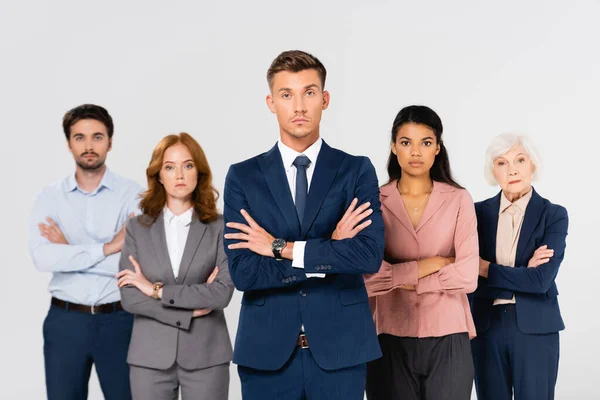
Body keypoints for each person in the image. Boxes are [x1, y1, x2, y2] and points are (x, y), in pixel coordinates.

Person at [223, 50, 385, 400]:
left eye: (309, 93)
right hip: (266, 355)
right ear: (271, 102)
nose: (298, 106)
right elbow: (245, 273)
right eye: (287, 95)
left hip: (341, 351)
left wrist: (280, 249)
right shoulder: (243, 177)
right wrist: (329, 249)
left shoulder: (356, 170)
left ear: (325, 99)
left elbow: (368, 256)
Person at [364, 105, 478, 400]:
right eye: (406, 142)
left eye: (425, 143)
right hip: (388, 336)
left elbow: (468, 277)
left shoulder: (458, 200)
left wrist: (401, 277)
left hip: (449, 335)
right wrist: (435, 263)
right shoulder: (374, 201)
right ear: (393, 147)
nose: (416, 152)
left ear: (438, 148)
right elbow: (365, 279)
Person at [28, 104, 141, 400]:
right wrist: (109, 247)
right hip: (66, 322)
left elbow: (135, 264)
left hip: (119, 320)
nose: (89, 146)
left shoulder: (133, 194)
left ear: (110, 142)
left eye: (97, 137)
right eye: (80, 137)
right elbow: (43, 258)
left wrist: (69, 251)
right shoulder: (49, 197)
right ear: (69, 143)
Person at [117, 133, 234, 400]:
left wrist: (155, 290)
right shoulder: (137, 228)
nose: (179, 174)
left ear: (199, 172)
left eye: (188, 165)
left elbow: (221, 294)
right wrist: (188, 312)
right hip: (149, 358)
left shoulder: (221, 227)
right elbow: (131, 297)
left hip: (207, 356)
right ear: (158, 175)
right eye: (169, 167)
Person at [470, 133, 567, 400]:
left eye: (520, 160)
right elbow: (466, 272)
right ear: (493, 171)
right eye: (502, 163)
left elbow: (540, 281)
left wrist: (487, 269)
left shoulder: (554, 215)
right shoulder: (475, 214)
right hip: (486, 327)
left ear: (532, 165)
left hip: (536, 327)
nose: (512, 170)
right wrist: (523, 272)